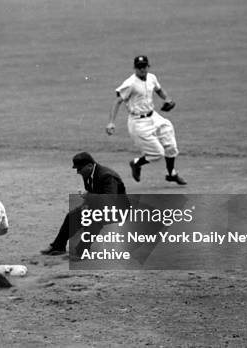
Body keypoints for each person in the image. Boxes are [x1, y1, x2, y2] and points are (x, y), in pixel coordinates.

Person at [106, 55, 187, 185]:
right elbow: (117, 101)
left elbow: (159, 90)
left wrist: (167, 99)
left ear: (148, 66)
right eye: (139, 67)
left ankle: (171, 174)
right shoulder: (130, 84)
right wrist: (111, 122)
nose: (142, 69)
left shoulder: (152, 78)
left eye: (144, 66)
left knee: (169, 139)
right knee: (157, 154)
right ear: (134, 68)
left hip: (153, 116)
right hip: (138, 122)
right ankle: (136, 163)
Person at [40, 152, 128, 256]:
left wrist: (88, 196)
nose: (78, 172)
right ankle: (58, 246)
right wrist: (85, 205)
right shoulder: (88, 173)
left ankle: (82, 250)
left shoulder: (107, 176)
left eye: (79, 169)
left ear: (90, 166)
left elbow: (110, 199)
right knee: (72, 216)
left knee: (94, 220)